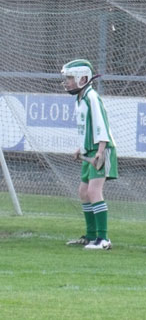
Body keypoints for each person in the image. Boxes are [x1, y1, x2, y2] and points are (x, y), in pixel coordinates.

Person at [62, 59, 118, 250]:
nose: (67, 82)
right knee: (83, 192)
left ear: (83, 78)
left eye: (71, 78)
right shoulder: (81, 98)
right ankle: (90, 236)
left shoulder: (91, 97)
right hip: (90, 150)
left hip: (102, 150)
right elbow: (87, 129)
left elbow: (102, 124)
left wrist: (101, 151)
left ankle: (103, 240)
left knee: (94, 191)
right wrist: (81, 148)